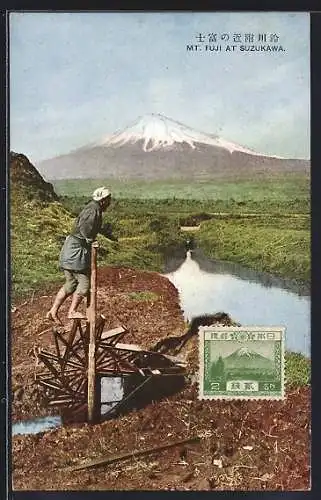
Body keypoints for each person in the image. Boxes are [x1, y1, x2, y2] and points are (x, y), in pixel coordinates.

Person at [46, 187, 112, 323]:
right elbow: (84, 227)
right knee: (84, 284)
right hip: (76, 251)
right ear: (103, 200)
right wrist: (90, 240)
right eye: (108, 199)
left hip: (70, 249)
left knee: (70, 284)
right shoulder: (93, 210)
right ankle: (72, 311)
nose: (110, 202)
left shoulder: (92, 208)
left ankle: (53, 311)